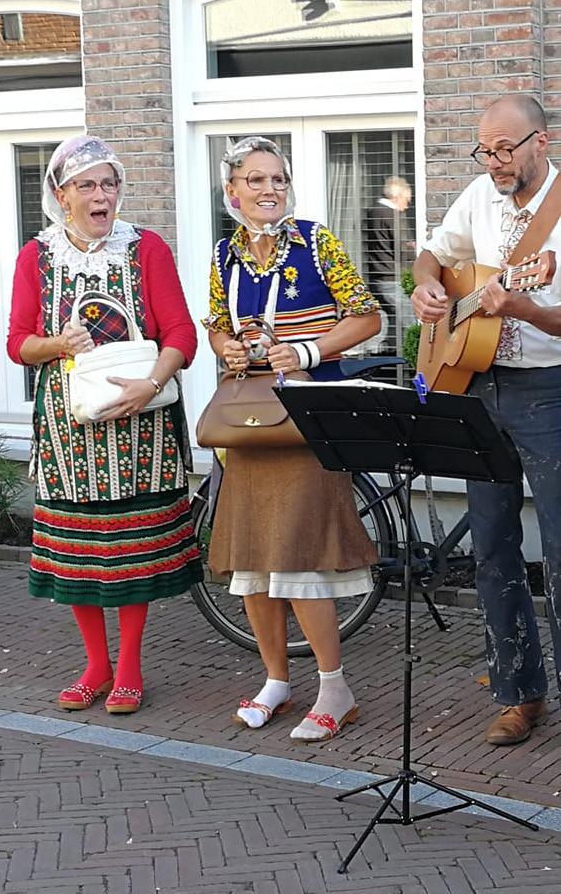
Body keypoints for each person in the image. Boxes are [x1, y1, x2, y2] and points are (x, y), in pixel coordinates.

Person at [7, 135, 203, 715]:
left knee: (131, 551)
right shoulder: (36, 257)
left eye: (109, 184)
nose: (101, 196)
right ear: (61, 195)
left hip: (141, 426)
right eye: (87, 185)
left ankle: (130, 666)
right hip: (69, 429)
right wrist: (57, 344)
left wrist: (152, 384)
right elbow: (18, 344)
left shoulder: (146, 248)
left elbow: (182, 333)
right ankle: (96, 665)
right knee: (79, 551)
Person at [203, 136, 382, 742]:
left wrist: (307, 351)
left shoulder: (316, 241)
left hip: (308, 420)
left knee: (300, 559)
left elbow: (368, 315)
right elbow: (216, 327)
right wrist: (227, 347)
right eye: (255, 180)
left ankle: (335, 688)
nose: (270, 189)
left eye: (278, 179)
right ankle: (276, 680)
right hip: (250, 424)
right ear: (232, 191)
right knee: (254, 561)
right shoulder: (224, 254)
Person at [411, 93, 561, 746]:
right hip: (476, 384)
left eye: (504, 148)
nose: (493, 161)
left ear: (540, 141)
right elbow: (432, 253)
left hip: (548, 390)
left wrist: (524, 307)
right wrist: (426, 286)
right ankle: (518, 693)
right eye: (485, 149)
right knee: (493, 547)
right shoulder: (477, 196)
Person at [365, 176, 415, 349]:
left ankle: (387, 351)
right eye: (406, 200)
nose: (407, 206)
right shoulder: (392, 215)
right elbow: (402, 249)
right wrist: (413, 248)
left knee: (394, 319)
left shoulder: (372, 212)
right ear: (397, 196)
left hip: (376, 278)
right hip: (391, 278)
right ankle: (411, 356)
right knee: (411, 322)